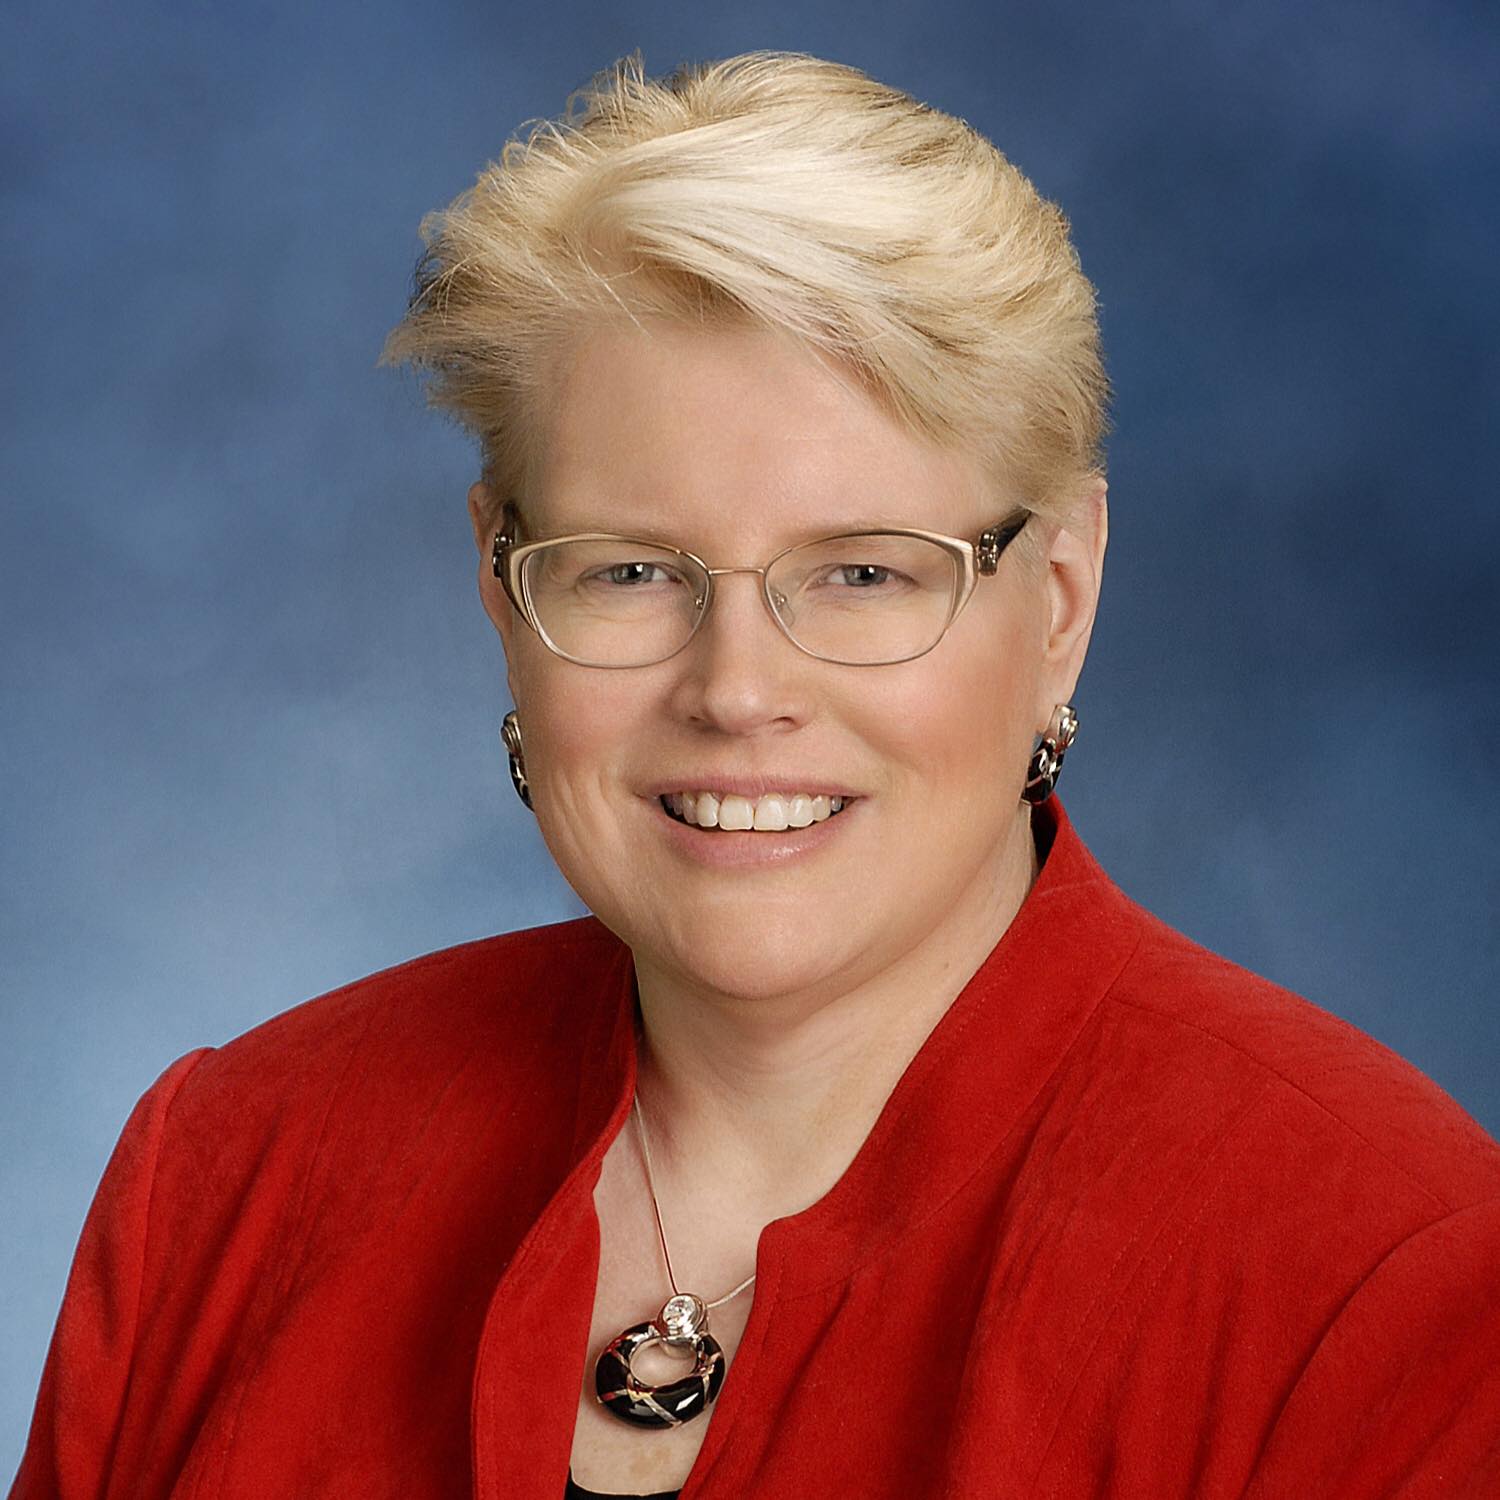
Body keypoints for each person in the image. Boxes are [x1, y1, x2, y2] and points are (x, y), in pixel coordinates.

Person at [11, 50, 1500, 1500]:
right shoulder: (235, 1167)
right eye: (630, 570)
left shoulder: (1380, 1277)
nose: (735, 691)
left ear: (1059, 601)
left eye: (863, 571)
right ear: (500, 586)